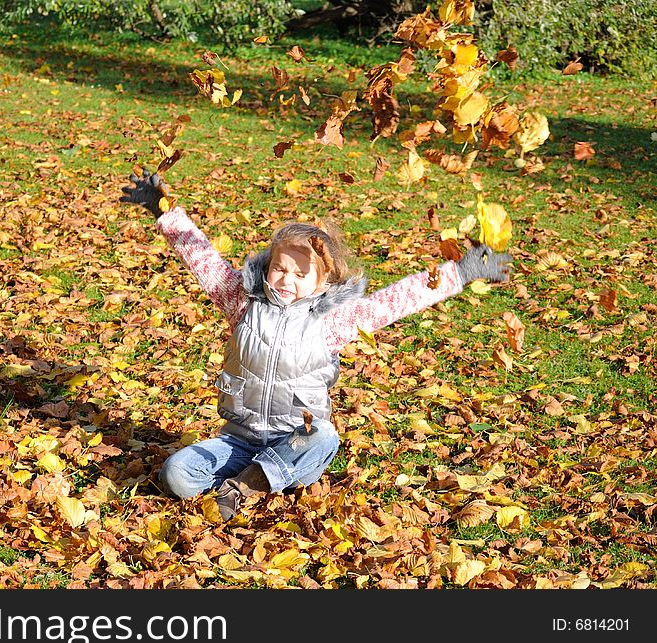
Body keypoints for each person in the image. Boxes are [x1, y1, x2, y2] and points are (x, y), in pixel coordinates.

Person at [120, 168, 512, 522]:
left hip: (295, 442)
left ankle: (243, 487)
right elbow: (201, 258)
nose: (287, 279)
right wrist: (165, 211)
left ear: (321, 283)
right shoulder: (242, 302)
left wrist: (462, 270)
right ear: (267, 266)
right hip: (238, 439)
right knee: (176, 474)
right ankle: (250, 474)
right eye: (279, 268)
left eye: (300, 273)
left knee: (323, 437)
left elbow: (396, 299)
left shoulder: (332, 321)